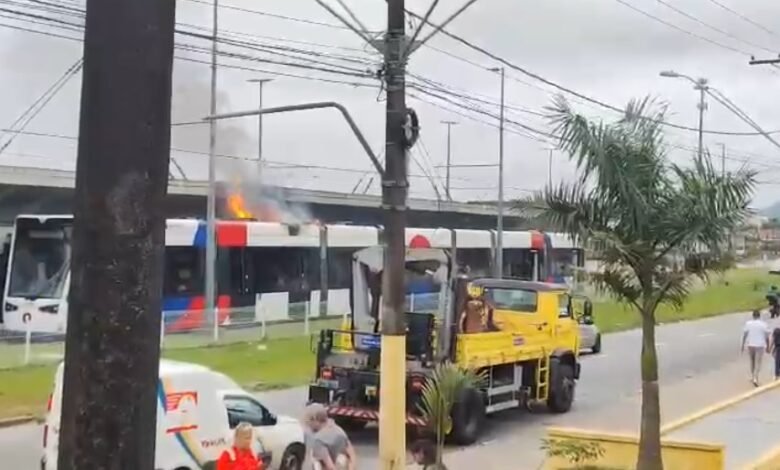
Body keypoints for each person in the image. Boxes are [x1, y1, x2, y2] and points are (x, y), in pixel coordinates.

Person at [304, 403, 356, 470]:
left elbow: (330, 466)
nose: (308, 424)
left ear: (315, 420)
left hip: (329, 466)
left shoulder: (319, 440)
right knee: (342, 458)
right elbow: (352, 455)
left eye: (309, 421)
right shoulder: (339, 431)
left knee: (314, 461)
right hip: (342, 464)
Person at [742, 310, 770, 387]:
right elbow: (767, 337)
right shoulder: (763, 324)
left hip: (750, 344)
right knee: (758, 362)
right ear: (759, 316)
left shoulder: (748, 323)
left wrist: (743, 345)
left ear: (753, 316)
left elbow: (745, 335)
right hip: (760, 345)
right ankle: (755, 377)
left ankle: (752, 376)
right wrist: (768, 346)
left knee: (752, 361)